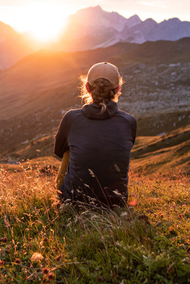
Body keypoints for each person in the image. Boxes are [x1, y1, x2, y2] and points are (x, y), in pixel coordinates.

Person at [54, 62, 136, 208]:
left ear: (87, 87)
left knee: (70, 147)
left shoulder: (71, 118)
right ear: (117, 89)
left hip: (74, 202)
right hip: (116, 204)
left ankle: (59, 195)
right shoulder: (129, 122)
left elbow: (60, 152)